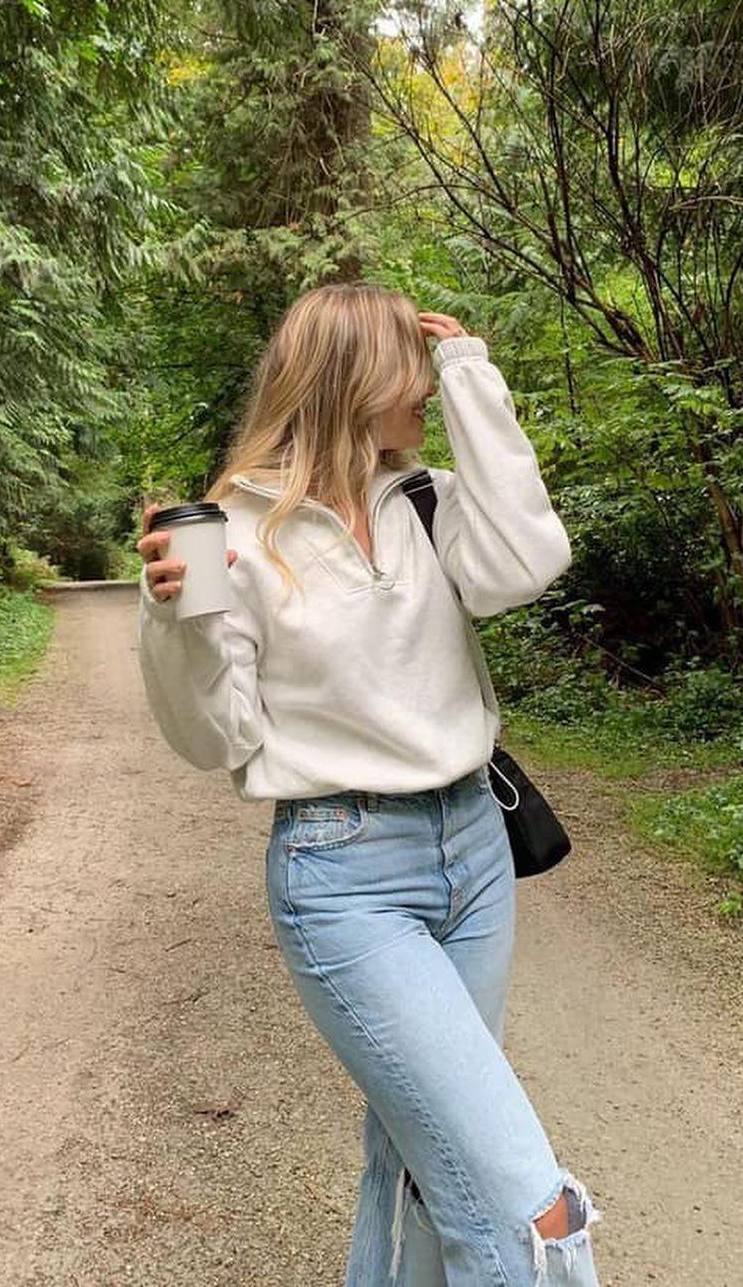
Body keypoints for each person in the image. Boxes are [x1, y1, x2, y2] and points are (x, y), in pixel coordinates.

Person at [135, 283, 603, 1287]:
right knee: (531, 1207)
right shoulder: (232, 530)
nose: (426, 389)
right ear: (352, 378)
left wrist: (477, 382)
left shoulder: (426, 498)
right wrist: (177, 625)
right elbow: (215, 736)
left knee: (423, 1165)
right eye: (415, 367)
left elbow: (528, 559)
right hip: (344, 874)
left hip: (475, 849)